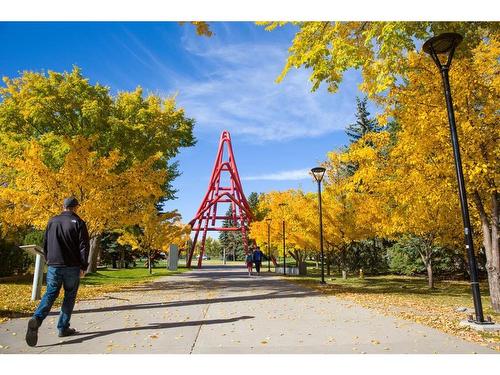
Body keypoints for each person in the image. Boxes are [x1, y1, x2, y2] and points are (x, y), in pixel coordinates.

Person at [25, 197, 90, 347]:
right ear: (75, 207)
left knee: (50, 293)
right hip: (72, 266)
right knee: (69, 295)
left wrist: (49, 259)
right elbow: (83, 247)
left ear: (63, 206)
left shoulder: (52, 221)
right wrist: (83, 266)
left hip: (54, 265)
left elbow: (45, 243)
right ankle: (63, 327)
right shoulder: (79, 222)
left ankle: (37, 318)